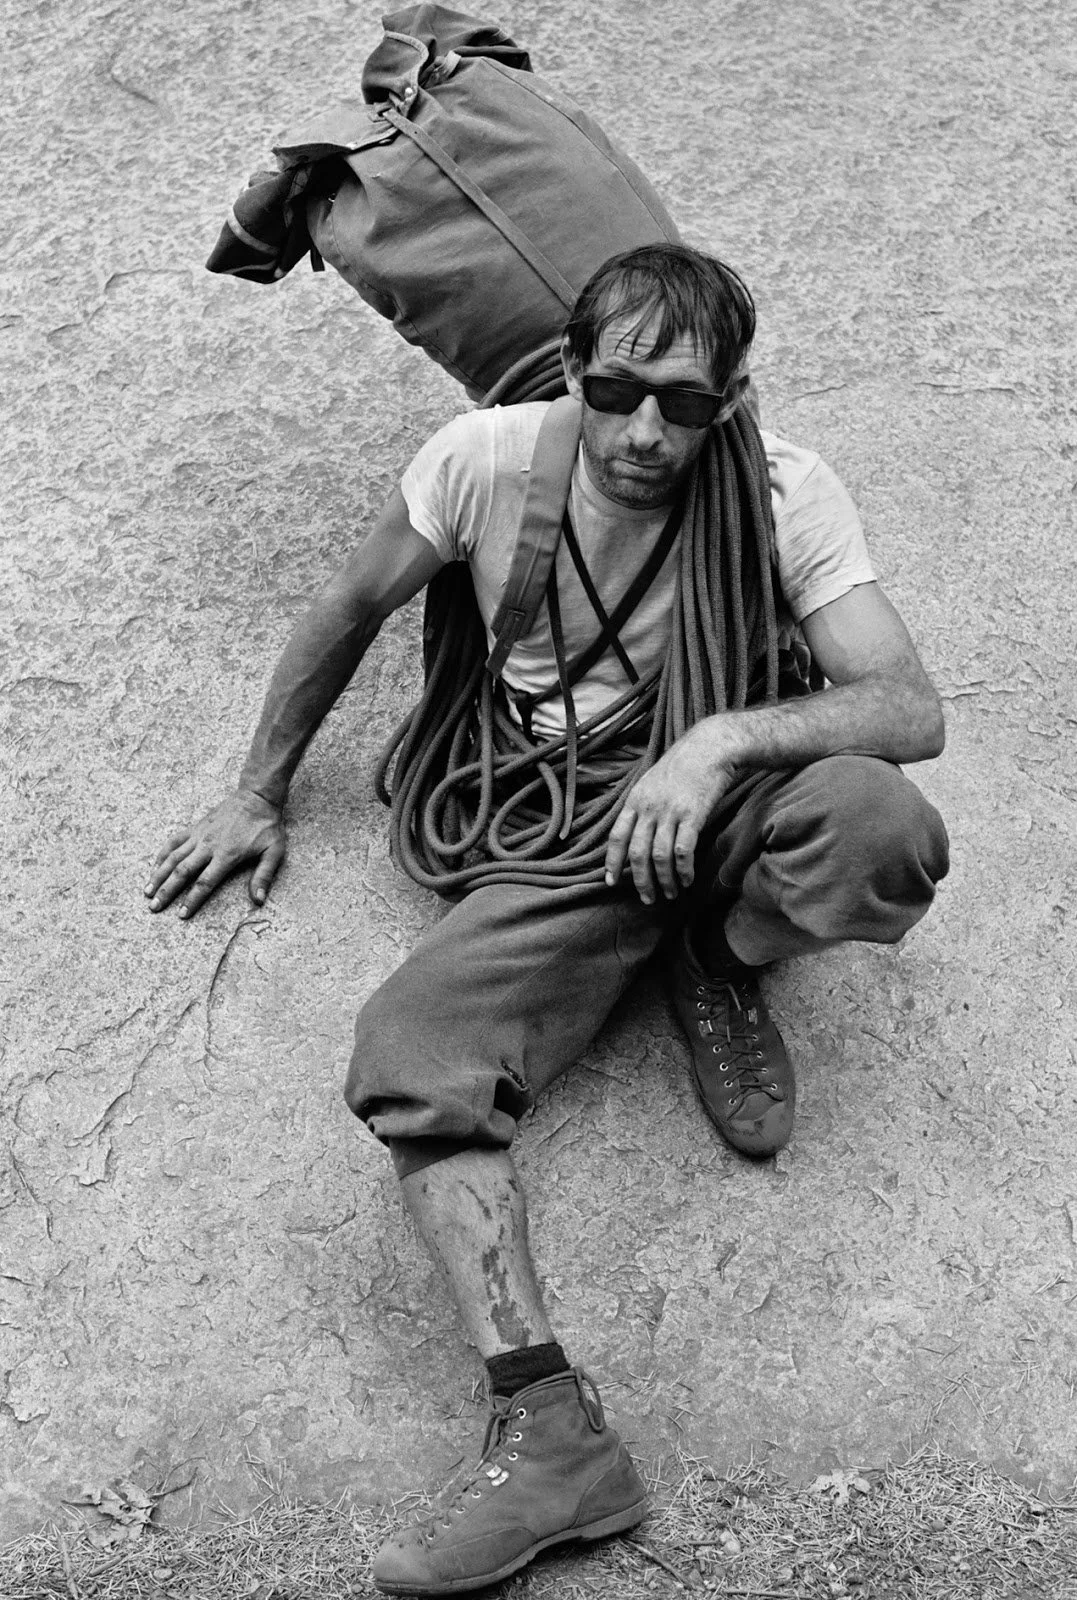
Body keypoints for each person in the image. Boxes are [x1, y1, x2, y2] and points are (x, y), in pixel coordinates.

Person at [145, 243, 948, 1595]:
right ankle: (553, 1434)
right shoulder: (485, 462)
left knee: (881, 825)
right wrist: (257, 790)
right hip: (547, 820)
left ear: (733, 396)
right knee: (411, 1051)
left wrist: (712, 748)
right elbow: (349, 603)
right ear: (573, 368)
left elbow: (908, 707)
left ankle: (717, 954)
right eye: (618, 389)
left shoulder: (782, 488)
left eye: (686, 403)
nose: (646, 434)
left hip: (713, 790)